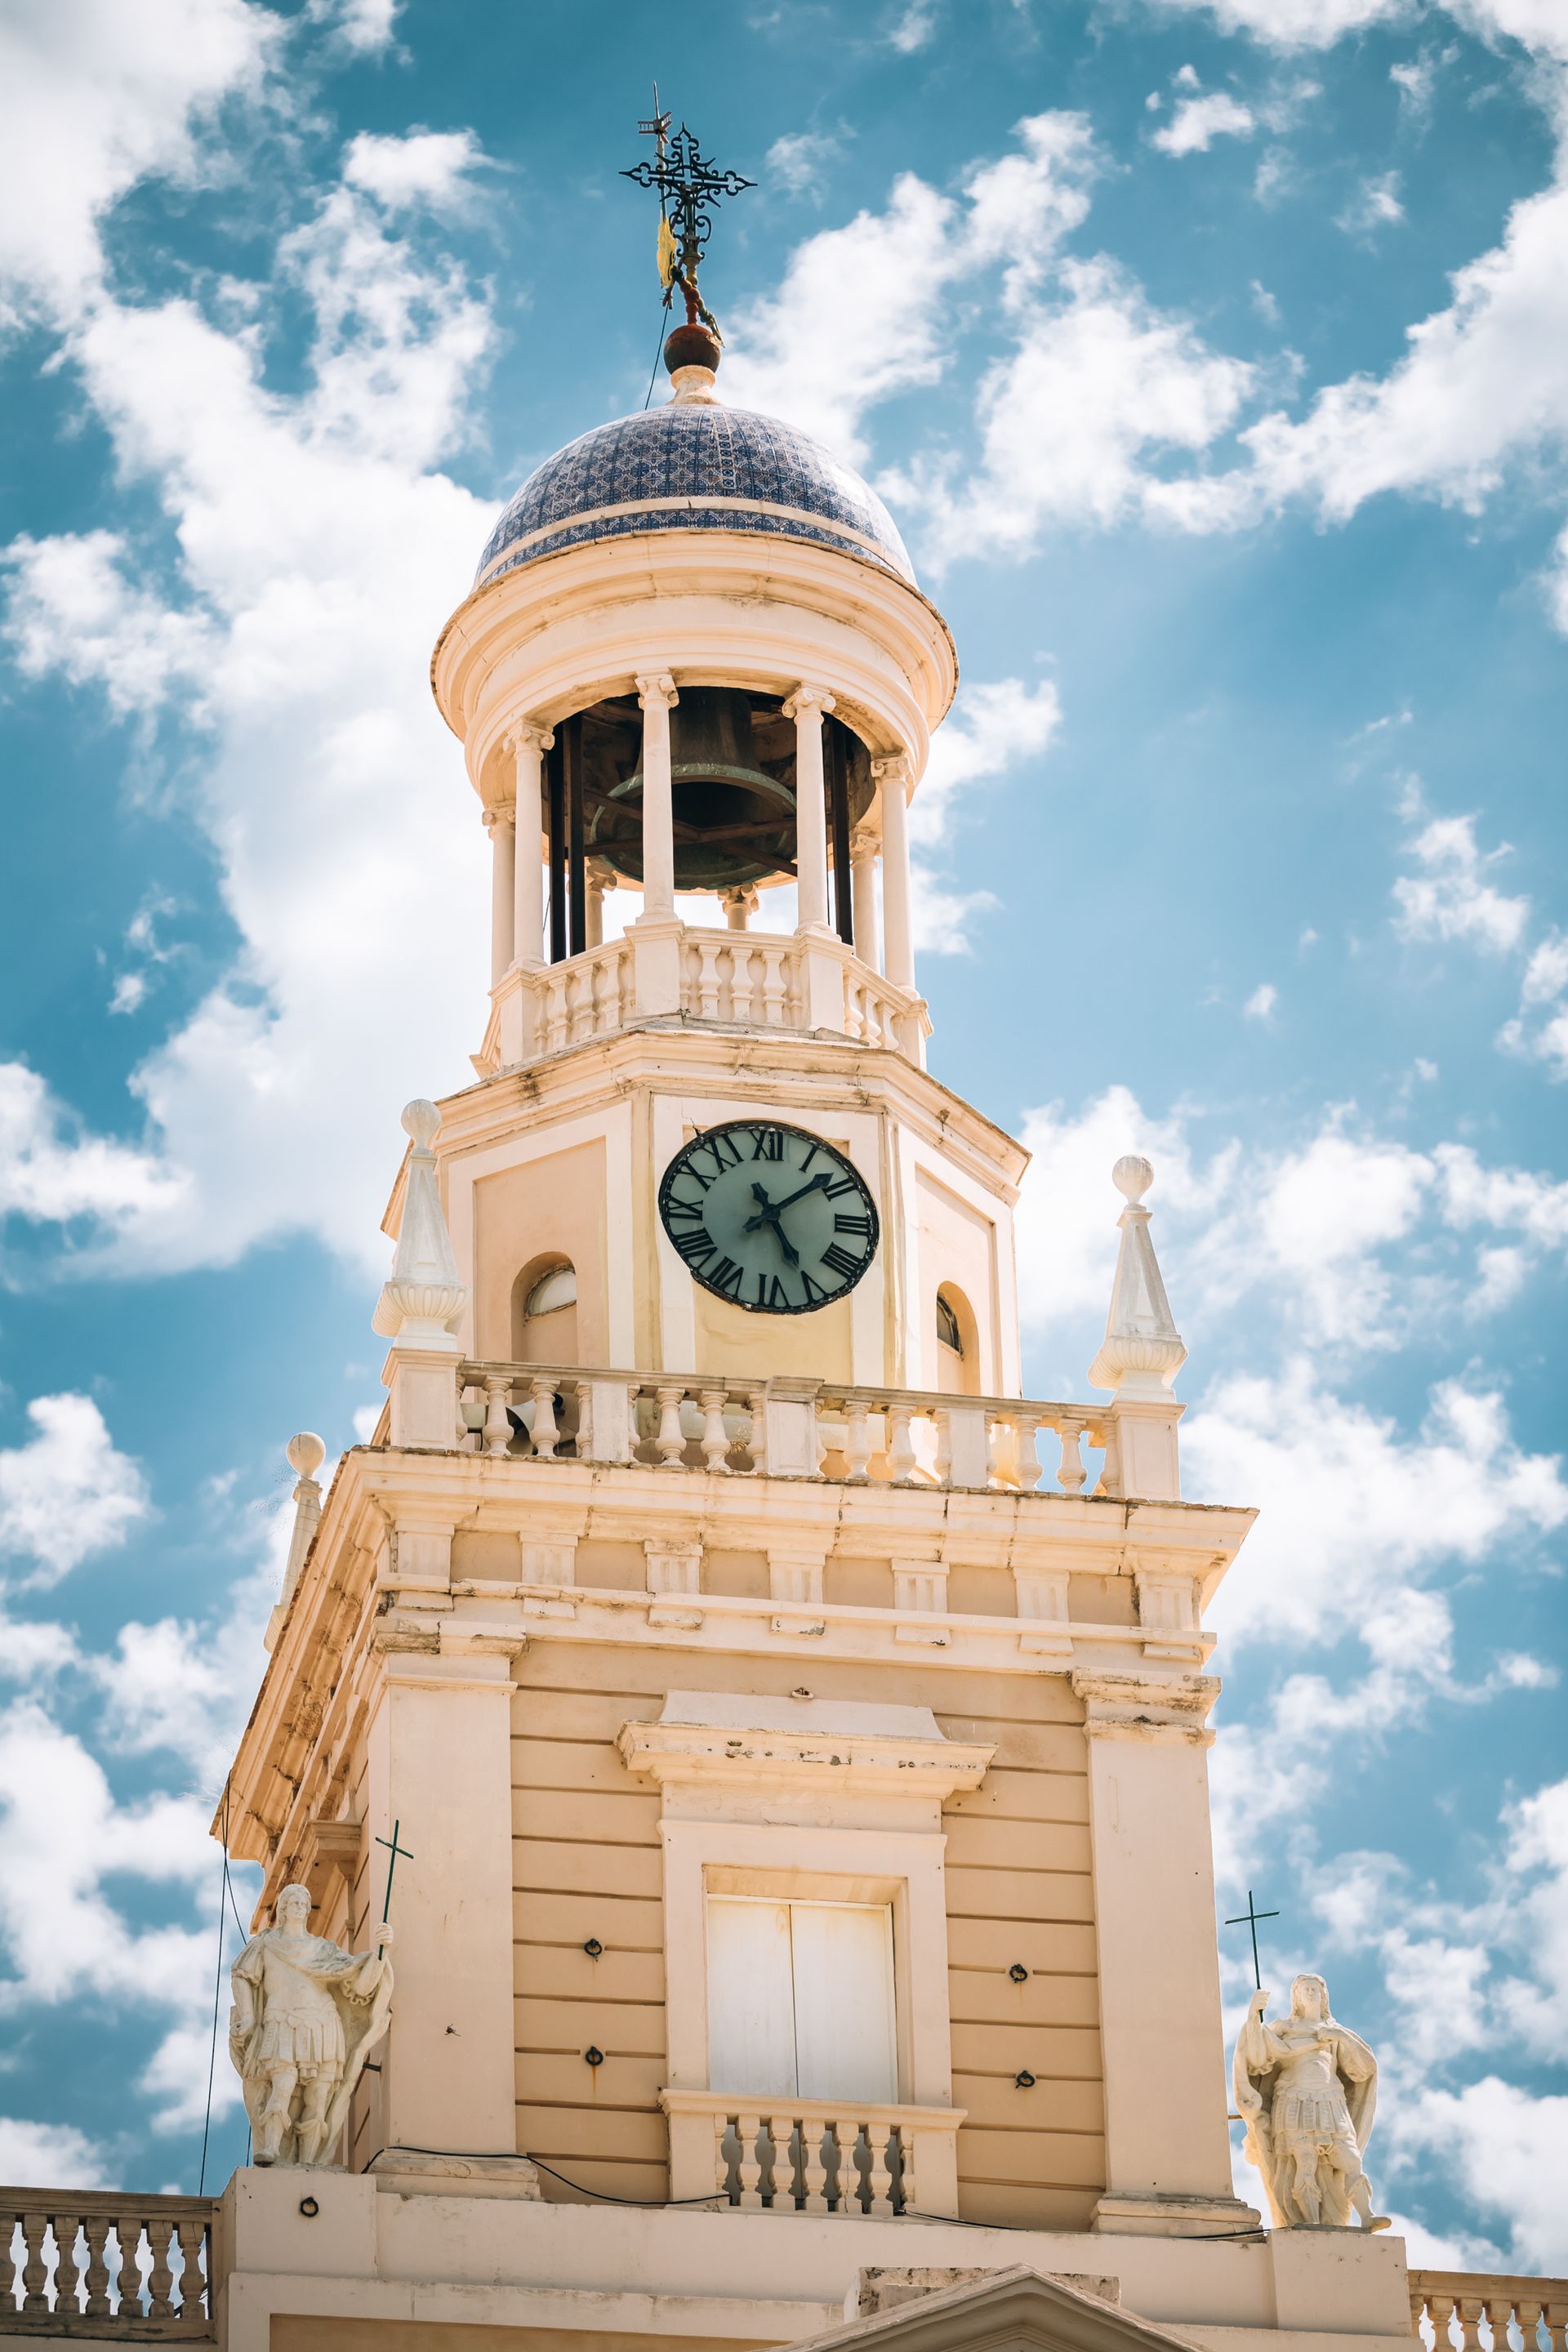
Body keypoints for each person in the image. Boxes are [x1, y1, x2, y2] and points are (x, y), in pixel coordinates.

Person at [229, 1884, 393, 2168]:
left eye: (305, 1903)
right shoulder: (265, 1944)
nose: (300, 1907)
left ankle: (310, 2162)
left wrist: (381, 1953)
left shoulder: (322, 1949)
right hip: (281, 2020)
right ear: (282, 1908)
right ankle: (271, 2148)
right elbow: (242, 1976)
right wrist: (248, 2017)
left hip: (322, 2021)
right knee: (281, 2084)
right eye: (293, 1902)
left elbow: (361, 1985)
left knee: (318, 2095)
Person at [1233, 1973, 1389, 2230]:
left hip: (1331, 2101)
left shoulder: (1335, 2032)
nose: (1310, 1992)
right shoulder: (1285, 2028)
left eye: (1315, 1988)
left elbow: (1362, 2070)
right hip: (1294, 2099)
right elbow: (1256, 2056)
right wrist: (1253, 2014)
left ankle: (1367, 2216)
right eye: (1304, 1988)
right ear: (1296, 1997)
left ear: (1324, 1995)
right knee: (1304, 2161)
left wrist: (1342, 2038)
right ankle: (1311, 2223)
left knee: (1350, 2160)